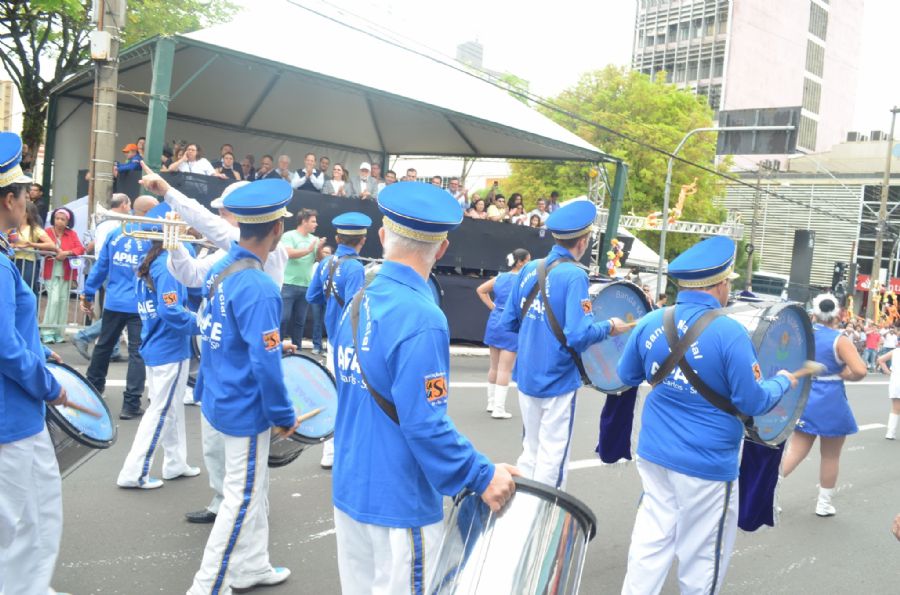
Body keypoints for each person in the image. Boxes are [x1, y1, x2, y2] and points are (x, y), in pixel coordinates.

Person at [331, 182, 518, 592]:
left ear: (383, 236)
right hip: (401, 503)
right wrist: (482, 474)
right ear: (443, 248)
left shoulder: (358, 301)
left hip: (350, 490)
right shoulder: (422, 316)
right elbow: (424, 424)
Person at [616, 235, 797, 595]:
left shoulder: (651, 321)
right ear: (720, 284)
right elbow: (752, 402)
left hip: (654, 453)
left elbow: (626, 375)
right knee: (702, 557)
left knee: (651, 541)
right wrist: (782, 382)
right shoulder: (730, 333)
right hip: (707, 463)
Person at [137, 166, 289, 531]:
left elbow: (211, 226)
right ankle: (224, 503)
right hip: (216, 358)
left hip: (239, 364)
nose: (220, 217)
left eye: (225, 212)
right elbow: (190, 274)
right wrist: (174, 246)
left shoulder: (262, 254)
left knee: (245, 461)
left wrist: (169, 192)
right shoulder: (229, 255)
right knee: (214, 444)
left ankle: (245, 517)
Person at [186, 178, 300, 593]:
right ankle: (206, 586)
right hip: (244, 407)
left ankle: (252, 565)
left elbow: (215, 332)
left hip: (219, 395)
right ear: (277, 229)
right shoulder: (260, 285)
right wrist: (283, 414)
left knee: (253, 489)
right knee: (242, 497)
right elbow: (265, 365)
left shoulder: (221, 268)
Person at [499, 200, 625, 489]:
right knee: (552, 457)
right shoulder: (575, 275)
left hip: (527, 374)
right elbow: (578, 335)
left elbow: (509, 322)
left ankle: (524, 506)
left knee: (530, 452)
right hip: (557, 377)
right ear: (583, 241)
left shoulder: (530, 268)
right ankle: (546, 513)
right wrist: (609, 326)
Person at [0, 130, 68, 595]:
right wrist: (48, 384)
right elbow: (4, 346)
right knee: (13, 524)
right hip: (12, 414)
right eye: (25, 194)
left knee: (40, 513)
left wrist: (40, 350)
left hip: (21, 411)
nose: (29, 201)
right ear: (9, 199)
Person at [116, 204, 201, 489]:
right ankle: (134, 472)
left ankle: (175, 462)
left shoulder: (151, 261)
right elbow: (171, 311)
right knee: (161, 411)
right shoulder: (166, 265)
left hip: (156, 343)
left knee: (170, 408)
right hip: (169, 347)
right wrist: (203, 323)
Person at [781, 293, 867, 516]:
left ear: (814, 313)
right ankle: (824, 504)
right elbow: (860, 370)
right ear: (837, 313)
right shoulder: (840, 339)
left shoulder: (804, 334)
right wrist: (846, 375)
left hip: (806, 396)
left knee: (795, 450)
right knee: (830, 456)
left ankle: (767, 492)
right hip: (831, 400)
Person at [81, 195, 160, 419]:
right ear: (148, 211)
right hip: (140, 302)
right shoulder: (153, 237)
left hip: (115, 300)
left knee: (103, 346)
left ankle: (93, 390)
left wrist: (88, 292)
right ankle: (131, 404)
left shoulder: (116, 234)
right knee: (137, 352)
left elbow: (101, 267)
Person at [305, 212, 371, 469]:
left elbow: (312, 296)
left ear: (337, 237)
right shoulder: (355, 267)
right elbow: (355, 311)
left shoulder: (326, 263)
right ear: (362, 240)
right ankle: (347, 450)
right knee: (353, 395)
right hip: (349, 342)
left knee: (334, 392)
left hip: (332, 338)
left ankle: (330, 451)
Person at [72, 193, 137, 362]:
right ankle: (84, 336)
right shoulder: (117, 224)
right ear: (123, 205)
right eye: (129, 204)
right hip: (114, 268)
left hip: (106, 267)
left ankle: (113, 349)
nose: (130, 208)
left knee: (116, 309)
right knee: (120, 311)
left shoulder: (105, 224)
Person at [476, 248, 530, 419]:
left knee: (494, 366)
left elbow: (481, 290)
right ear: (520, 262)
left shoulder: (500, 277)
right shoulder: (524, 281)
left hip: (495, 322)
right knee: (505, 369)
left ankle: (491, 403)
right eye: (528, 261)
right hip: (511, 324)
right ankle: (499, 409)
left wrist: (493, 307)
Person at [280, 209, 325, 348]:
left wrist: (319, 249)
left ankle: (297, 350)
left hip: (306, 285)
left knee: (300, 321)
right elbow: (288, 253)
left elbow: (320, 260)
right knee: (283, 318)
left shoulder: (314, 239)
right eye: (313, 221)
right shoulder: (289, 236)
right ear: (304, 221)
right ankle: (275, 348)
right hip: (288, 284)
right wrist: (308, 250)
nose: (316, 224)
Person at [41, 207, 85, 344]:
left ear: (67, 221)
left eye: (62, 219)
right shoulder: (47, 232)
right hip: (51, 271)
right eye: (57, 218)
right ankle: (47, 331)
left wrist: (66, 253)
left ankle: (59, 332)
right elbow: (40, 249)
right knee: (53, 301)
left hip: (67, 272)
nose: (59, 221)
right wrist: (53, 251)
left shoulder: (71, 233)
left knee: (63, 301)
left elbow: (80, 248)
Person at [13, 201, 54, 295]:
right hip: (12, 259)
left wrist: (31, 244)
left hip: (27, 261)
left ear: (27, 213)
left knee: (25, 288)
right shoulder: (12, 226)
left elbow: (51, 244)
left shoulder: (34, 228)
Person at [877, 344, 900, 439]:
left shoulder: (895, 351)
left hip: (896, 381)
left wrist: (888, 372)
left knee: (895, 408)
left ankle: (890, 433)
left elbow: (880, 360)